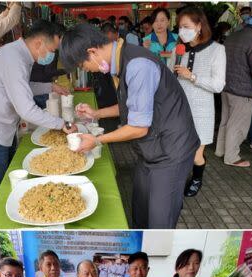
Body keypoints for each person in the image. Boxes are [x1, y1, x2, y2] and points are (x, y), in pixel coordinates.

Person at [60, 24, 199, 229]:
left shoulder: (138, 65)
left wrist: (97, 140)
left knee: (160, 221)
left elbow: (139, 127)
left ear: (92, 52)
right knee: (140, 209)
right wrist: (97, 113)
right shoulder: (121, 61)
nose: (86, 70)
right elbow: (132, 106)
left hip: (172, 151)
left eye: (82, 66)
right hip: (151, 149)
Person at [0, 20, 76, 219]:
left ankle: (3, 218)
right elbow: (26, 109)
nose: (52, 56)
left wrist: (50, 87)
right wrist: (62, 125)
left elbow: (22, 88)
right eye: (52, 49)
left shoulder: (17, 54)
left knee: (4, 183)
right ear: (39, 43)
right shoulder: (13, 58)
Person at [174, 6, 226, 197]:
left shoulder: (217, 50)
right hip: (179, 109)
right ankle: (178, 179)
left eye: (186, 26)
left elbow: (218, 85)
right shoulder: (178, 50)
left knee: (196, 154)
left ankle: (197, 179)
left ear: (199, 26)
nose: (182, 31)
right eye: (179, 27)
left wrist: (192, 76)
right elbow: (172, 77)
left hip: (202, 111)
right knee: (179, 149)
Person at [214, 13, 252, 168]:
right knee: (238, 124)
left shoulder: (234, 35)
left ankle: (220, 150)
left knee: (226, 120)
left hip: (226, 86)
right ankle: (232, 156)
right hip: (242, 89)